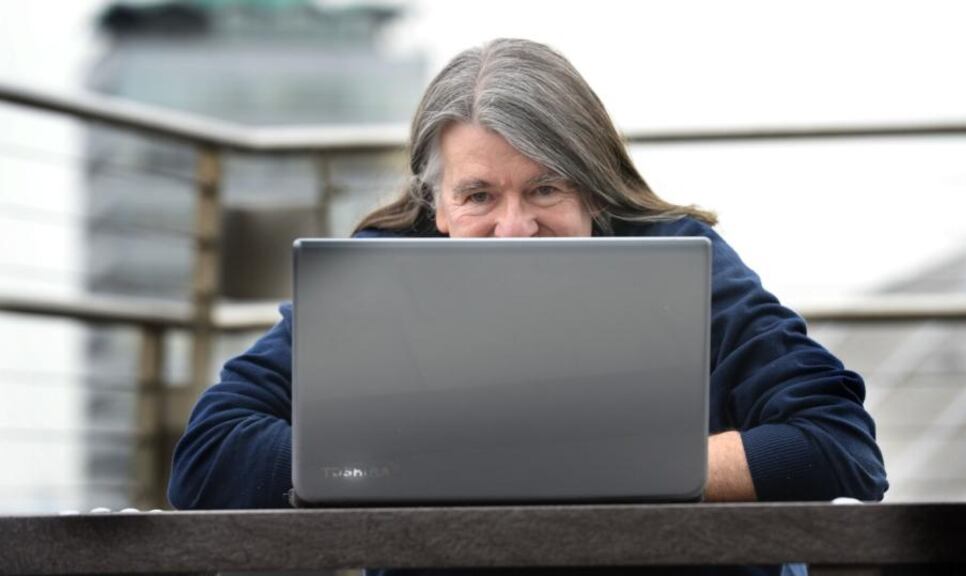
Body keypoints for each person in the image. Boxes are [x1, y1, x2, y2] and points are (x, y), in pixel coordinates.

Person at [168, 38, 888, 575]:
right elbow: (208, 459)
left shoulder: (682, 258)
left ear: (592, 190)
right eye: (479, 196)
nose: (513, 228)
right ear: (437, 207)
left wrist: (601, 468)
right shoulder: (378, 278)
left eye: (545, 189)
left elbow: (837, 446)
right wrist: (427, 465)